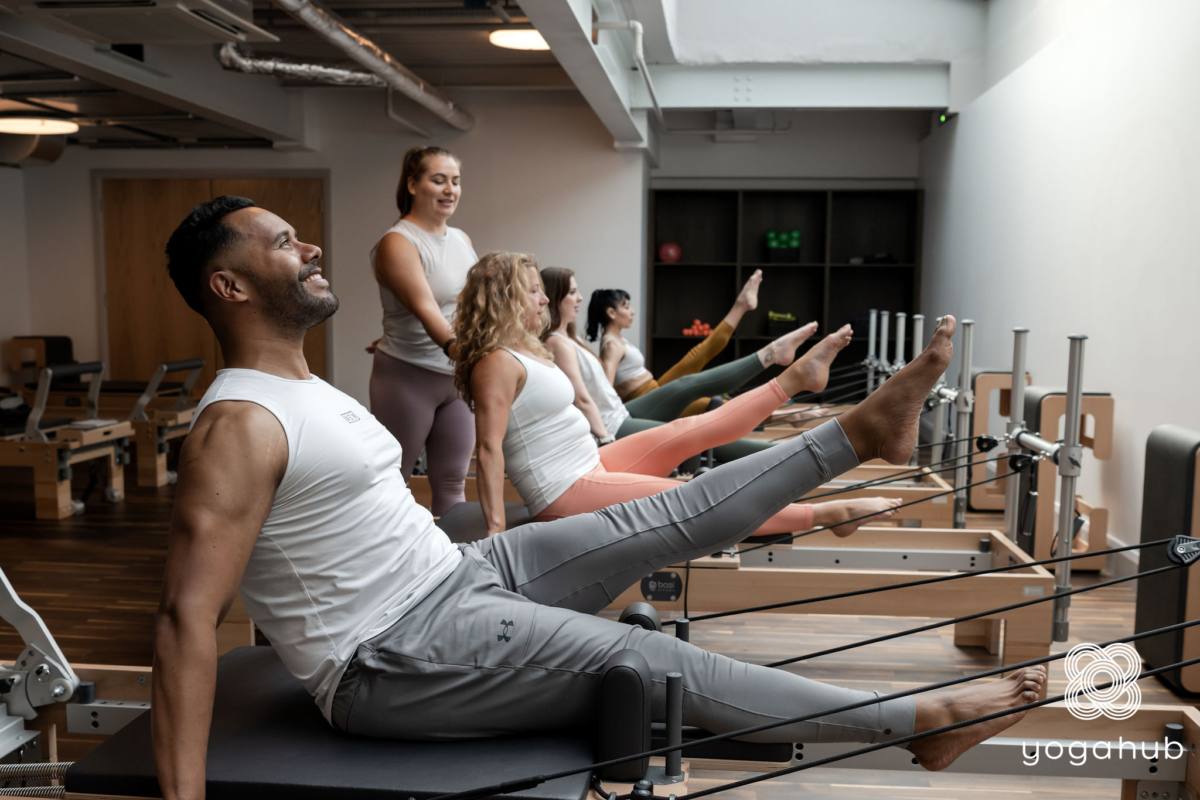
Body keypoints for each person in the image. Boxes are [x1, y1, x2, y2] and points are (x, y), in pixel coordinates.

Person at [152, 196, 1045, 800]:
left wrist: (485, 544)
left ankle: (856, 433)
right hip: (391, 654)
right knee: (652, 666)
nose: (308, 247)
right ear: (229, 287)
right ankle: (921, 723)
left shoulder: (310, 391)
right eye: (280, 244)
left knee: (664, 514)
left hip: (458, 575)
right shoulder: (237, 424)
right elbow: (186, 621)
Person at [459, 253, 901, 536]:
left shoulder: (528, 348)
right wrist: (496, 528)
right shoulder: (496, 361)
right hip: (564, 490)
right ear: (504, 297)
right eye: (533, 290)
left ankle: (794, 378)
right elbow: (488, 448)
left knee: (690, 427)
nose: (543, 299)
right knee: (695, 496)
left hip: (590, 461)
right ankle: (830, 516)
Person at [542, 266, 826, 463]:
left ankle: (772, 354)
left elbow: (600, 390)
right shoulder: (565, 342)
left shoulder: (573, 339)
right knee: (700, 422)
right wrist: (604, 439)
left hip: (622, 411)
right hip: (615, 422)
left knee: (691, 384)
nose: (579, 298)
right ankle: (791, 448)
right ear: (556, 298)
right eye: (571, 293)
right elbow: (583, 397)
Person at [368, 146, 477, 515]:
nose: (450, 189)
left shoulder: (461, 239)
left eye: (456, 181)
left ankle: (455, 569)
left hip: (456, 380)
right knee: (392, 482)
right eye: (439, 180)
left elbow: (469, 306)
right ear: (413, 185)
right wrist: (460, 351)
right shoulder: (398, 241)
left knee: (452, 482)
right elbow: (425, 306)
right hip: (408, 376)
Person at [588, 272, 776, 411]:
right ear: (611, 313)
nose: (632, 311)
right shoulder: (611, 345)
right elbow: (604, 388)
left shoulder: (618, 340)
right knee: (719, 405)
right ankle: (779, 413)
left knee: (698, 355)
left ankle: (742, 305)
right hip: (649, 401)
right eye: (626, 307)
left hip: (654, 390)